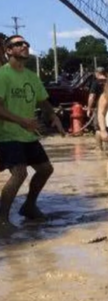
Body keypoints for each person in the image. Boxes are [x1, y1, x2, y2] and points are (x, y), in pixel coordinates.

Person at [0, 35, 65, 227]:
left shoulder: (31, 76)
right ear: (8, 50)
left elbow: (43, 101)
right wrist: (23, 122)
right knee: (19, 173)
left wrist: (54, 117)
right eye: (18, 44)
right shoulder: (3, 75)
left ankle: (29, 206)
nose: (24, 46)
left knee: (45, 169)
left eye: (26, 43)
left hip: (27, 134)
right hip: (7, 135)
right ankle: (2, 218)